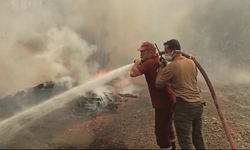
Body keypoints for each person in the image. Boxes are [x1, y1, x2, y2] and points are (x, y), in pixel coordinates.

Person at [155, 39, 206, 149]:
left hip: (185, 107)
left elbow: (158, 84)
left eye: (167, 51)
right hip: (198, 104)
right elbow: (193, 74)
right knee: (198, 138)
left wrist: (160, 68)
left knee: (185, 141)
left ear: (173, 51)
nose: (166, 54)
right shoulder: (191, 62)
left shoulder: (172, 66)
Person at [130, 42, 176, 150]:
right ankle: (173, 147)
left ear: (151, 52)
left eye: (142, 52)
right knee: (168, 128)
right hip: (169, 99)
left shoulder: (150, 62)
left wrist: (136, 63)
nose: (140, 54)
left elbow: (133, 73)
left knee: (161, 132)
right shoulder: (157, 60)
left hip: (162, 103)